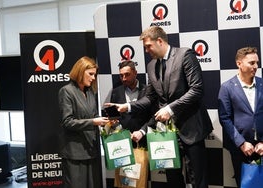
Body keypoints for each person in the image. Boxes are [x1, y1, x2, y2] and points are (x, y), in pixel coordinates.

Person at [106, 26, 213, 188]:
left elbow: (196, 89)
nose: (147, 50)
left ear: (160, 41)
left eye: (148, 46)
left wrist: (170, 109)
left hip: (192, 129)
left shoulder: (185, 55)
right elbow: (150, 98)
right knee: (173, 180)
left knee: (198, 179)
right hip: (166, 135)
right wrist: (126, 106)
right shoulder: (151, 66)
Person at [58, 56, 110, 188]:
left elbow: (93, 115)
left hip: (91, 150)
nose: (93, 78)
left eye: (95, 75)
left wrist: (105, 121)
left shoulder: (90, 92)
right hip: (75, 153)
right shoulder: (67, 91)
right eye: (91, 74)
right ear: (81, 71)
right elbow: (67, 122)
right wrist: (93, 122)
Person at [218, 46, 263, 187]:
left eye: (257, 63)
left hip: (262, 146)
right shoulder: (227, 87)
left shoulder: (262, 84)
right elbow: (224, 118)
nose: (256, 66)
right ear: (239, 64)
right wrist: (241, 143)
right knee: (244, 184)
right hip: (240, 148)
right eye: (251, 63)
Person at [104, 60, 153, 188]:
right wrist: (117, 127)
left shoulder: (148, 91)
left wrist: (142, 132)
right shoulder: (115, 92)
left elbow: (154, 116)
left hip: (142, 143)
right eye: (121, 75)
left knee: (140, 181)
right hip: (121, 145)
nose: (124, 78)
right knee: (123, 181)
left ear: (135, 73)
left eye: (127, 74)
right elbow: (110, 117)